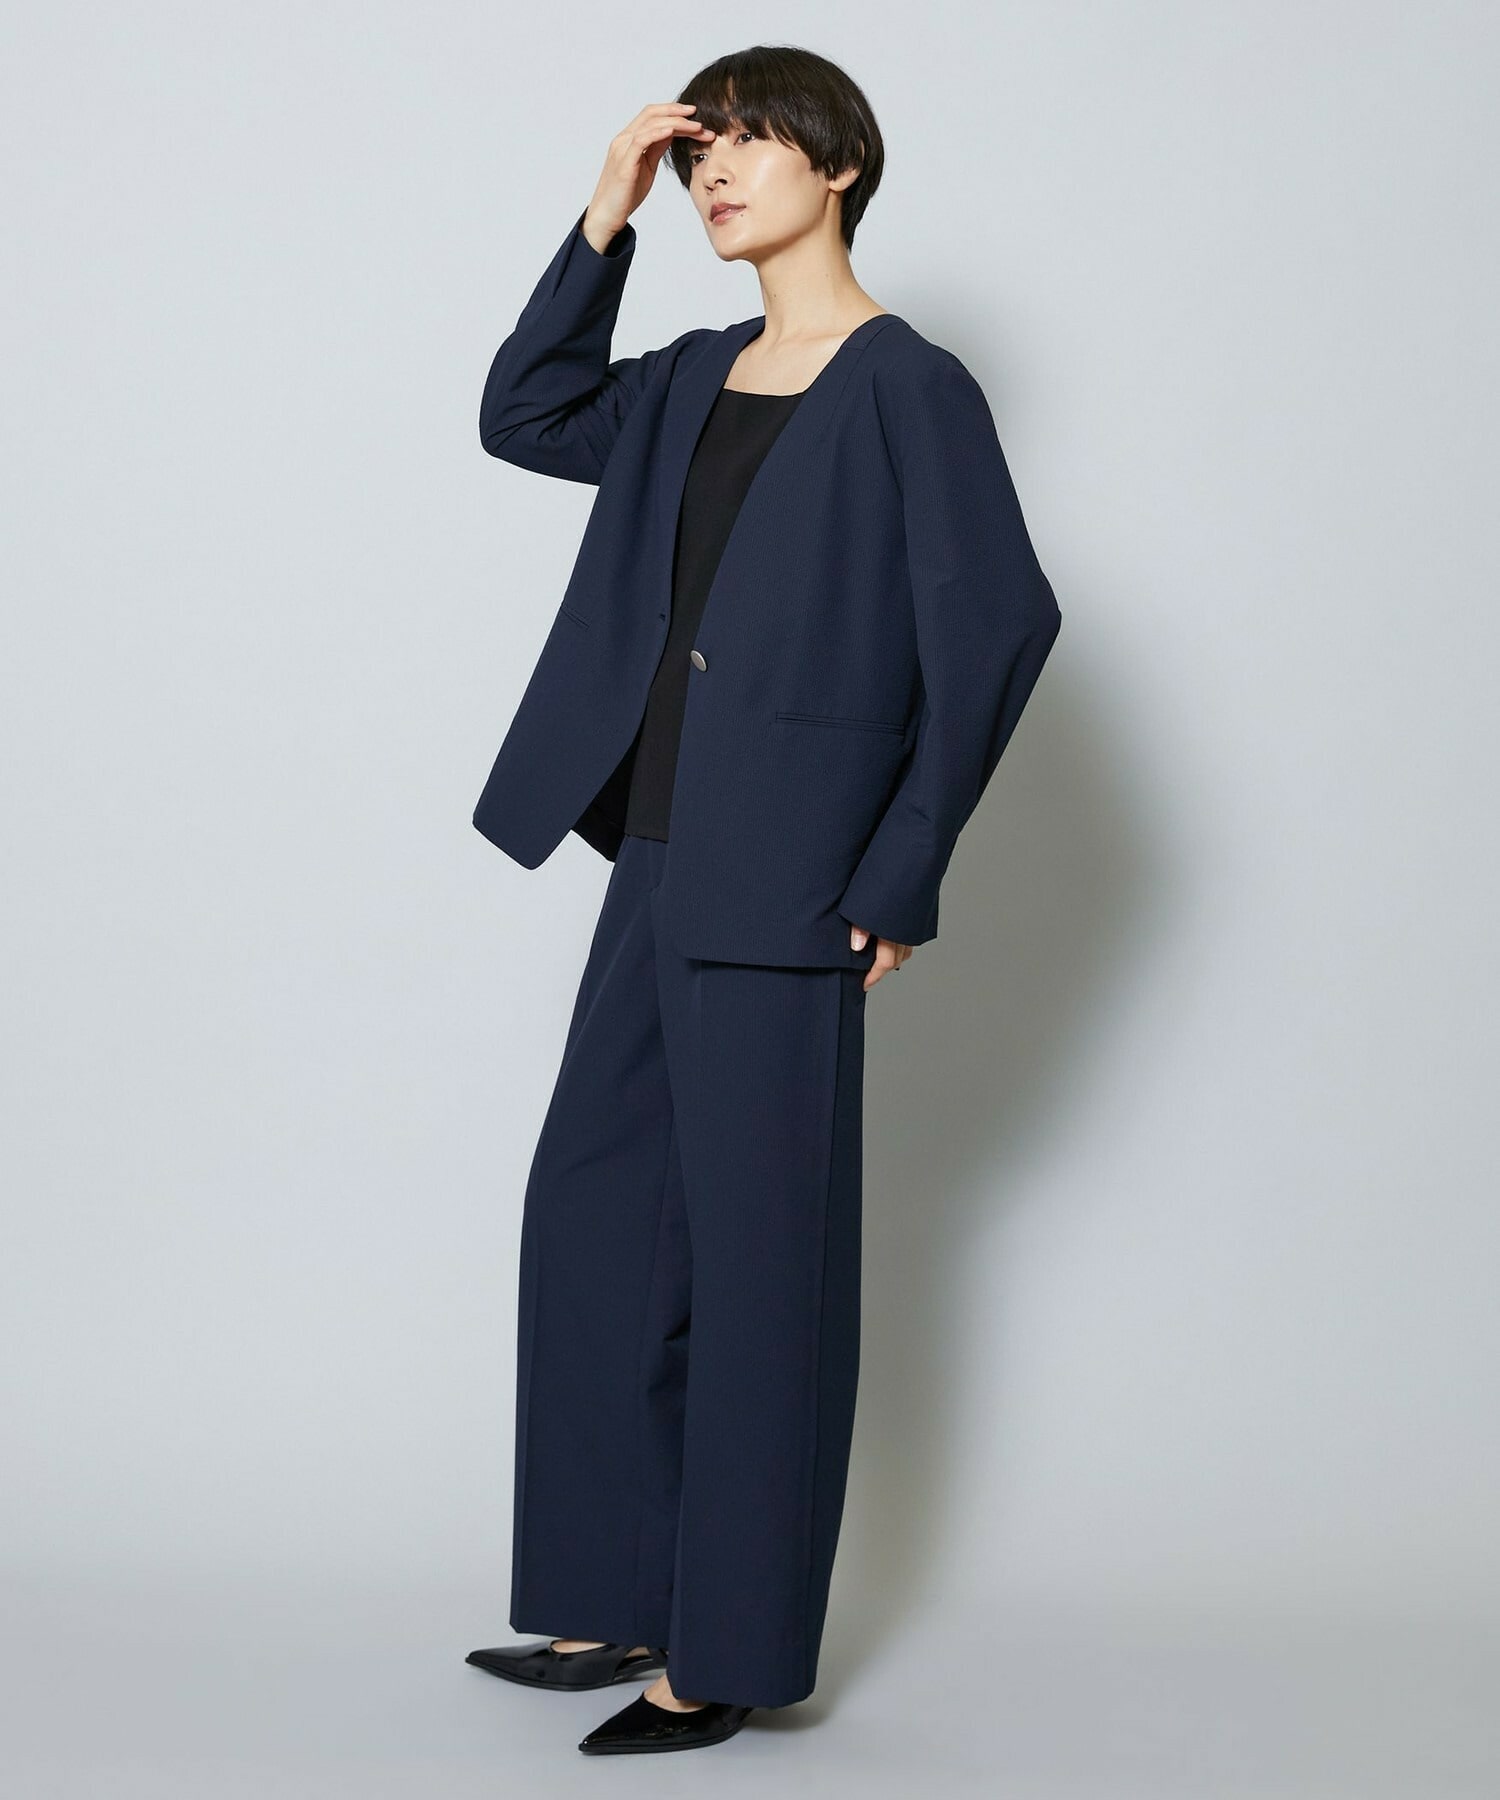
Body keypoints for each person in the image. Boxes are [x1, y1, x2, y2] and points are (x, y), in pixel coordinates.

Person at [463, 45, 1062, 1755]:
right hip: (652, 857)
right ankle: (611, 1591)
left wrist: (899, 872)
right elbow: (522, 417)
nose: (715, 170)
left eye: (748, 143)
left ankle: (724, 1650)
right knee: (594, 1217)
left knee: (759, 1268)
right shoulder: (686, 376)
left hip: (794, 881)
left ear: (839, 164)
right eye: (698, 150)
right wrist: (604, 213)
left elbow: (997, 627)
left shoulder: (910, 387)